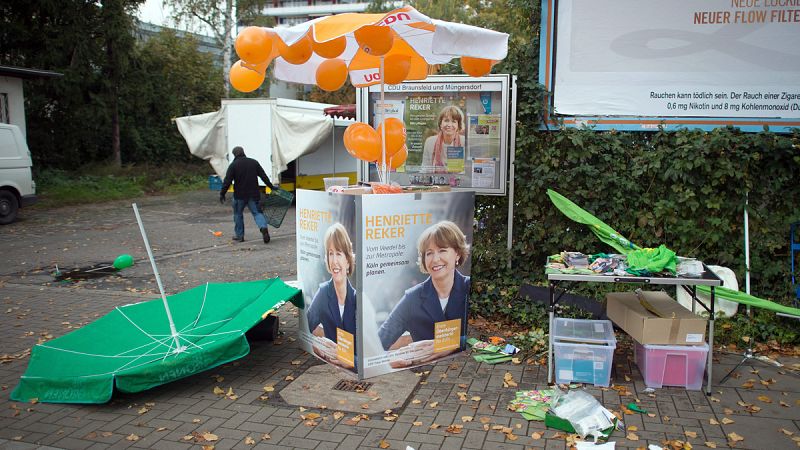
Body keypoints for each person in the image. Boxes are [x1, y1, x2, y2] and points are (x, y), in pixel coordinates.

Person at [377, 221, 470, 368]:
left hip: (469, 371)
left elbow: (487, 340)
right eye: (429, 253)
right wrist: (386, 360)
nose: (435, 259)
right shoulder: (412, 298)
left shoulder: (468, 288)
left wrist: (454, 343)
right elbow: (377, 343)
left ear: (457, 253)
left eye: (442, 250)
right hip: (424, 380)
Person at [306, 222, 357, 369]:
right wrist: (316, 344)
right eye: (330, 253)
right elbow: (307, 327)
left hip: (355, 371)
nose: (334, 260)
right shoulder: (323, 292)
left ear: (348, 261)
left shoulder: (357, 300)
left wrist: (351, 361)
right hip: (329, 368)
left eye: (339, 253)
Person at [219, 146, 274, 243]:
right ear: (243, 152)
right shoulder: (253, 162)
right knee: (257, 213)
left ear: (234, 154)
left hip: (239, 195)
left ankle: (240, 236)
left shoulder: (233, 165)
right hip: (254, 194)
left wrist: (222, 193)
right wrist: (271, 186)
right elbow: (263, 176)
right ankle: (263, 228)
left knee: (238, 214)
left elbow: (227, 181)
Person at [421, 106, 465, 174]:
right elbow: (425, 168)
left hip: (457, 182)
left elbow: (465, 172)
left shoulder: (464, 142)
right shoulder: (430, 142)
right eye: (446, 120)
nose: (449, 125)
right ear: (440, 124)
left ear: (458, 126)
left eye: (453, 121)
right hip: (435, 183)